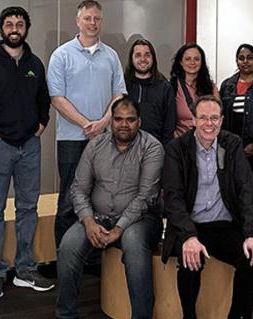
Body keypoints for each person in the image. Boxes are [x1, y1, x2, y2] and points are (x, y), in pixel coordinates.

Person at [0, 6, 53, 298]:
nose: (14, 28)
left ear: (26, 28)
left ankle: (26, 271)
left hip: (29, 146)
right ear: (1, 28)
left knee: (28, 208)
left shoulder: (35, 63)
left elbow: (44, 99)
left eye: (19, 23)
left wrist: (41, 125)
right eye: (9, 24)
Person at [56, 96, 164, 319]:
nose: (124, 124)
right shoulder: (95, 145)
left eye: (130, 119)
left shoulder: (152, 147)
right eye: (118, 119)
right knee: (68, 245)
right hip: (97, 216)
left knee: (134, 246)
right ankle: (66, 314)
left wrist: (119, 228)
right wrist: (88, 222)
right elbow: (78, 189)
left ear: (139, 122)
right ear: (111, 121)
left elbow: (146, 196)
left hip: (140, 220)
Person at [162, 95, 253, 319]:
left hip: (224, 224)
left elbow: (245, 190)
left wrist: (251, 234)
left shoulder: (232, 144)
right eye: (203, 118)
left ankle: (238, 315)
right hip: (192, 226)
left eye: (214, 118)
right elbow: (173, 198)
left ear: (222, 120)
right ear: (193, 120)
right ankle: (189, 316)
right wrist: (188, 236)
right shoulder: (177, 149)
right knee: (190, 261)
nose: (209, 124)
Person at [47, 0, 126, 247]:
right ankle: (65, 259)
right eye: (88, 18)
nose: (93, 23)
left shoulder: (111, 55)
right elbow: (56, 98)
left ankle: (94, 256)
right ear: (78, 21)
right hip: (71, 139)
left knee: (101, 199)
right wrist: (86, 124)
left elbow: (119, 95)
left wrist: (103, 122)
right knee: (70, 199)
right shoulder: (61, 55)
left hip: (104, 139)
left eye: (97, 19)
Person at [220, 44, 253, 191]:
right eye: (241, 58)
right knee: (233, 190)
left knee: (251, 190)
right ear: (236, 61)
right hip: (232, 147)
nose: (245, 61)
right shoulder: (227, 84)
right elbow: (222, 118)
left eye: (250, 58)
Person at [125, 38, 176, 144]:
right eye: (138, 55)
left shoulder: (165, 87)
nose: (143, 59)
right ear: (132, 59)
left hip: (155, 148)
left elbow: (169, 124)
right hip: (126, 147)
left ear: (153, 58)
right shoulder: (123, 86)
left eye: (147, 55)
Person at [170, 43, 220, 138]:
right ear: (181, 62)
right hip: (180, 143)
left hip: (206, 142)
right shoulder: (172, 87)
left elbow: (218, 116)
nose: (192, 62)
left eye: (196, 59)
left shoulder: (210, 87)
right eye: (188, 59)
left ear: (202, 62)